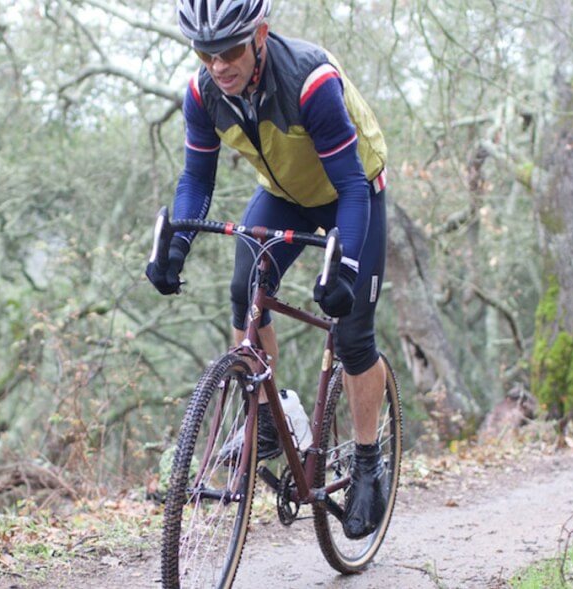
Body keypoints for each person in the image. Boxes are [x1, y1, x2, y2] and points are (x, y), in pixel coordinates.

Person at [144, 0, 391, 540]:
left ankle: (369, 460)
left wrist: (345, 268)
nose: (218, 66)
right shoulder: (203, 94)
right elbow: (196, 179)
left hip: (353, 194)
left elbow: (351, 186)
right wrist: (177, 245)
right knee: (245, 291)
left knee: (352, 333)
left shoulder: (310, 82)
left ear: (261, 35)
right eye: (205, 54)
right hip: (285, 195)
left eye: (230, 50)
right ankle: (269, 415)